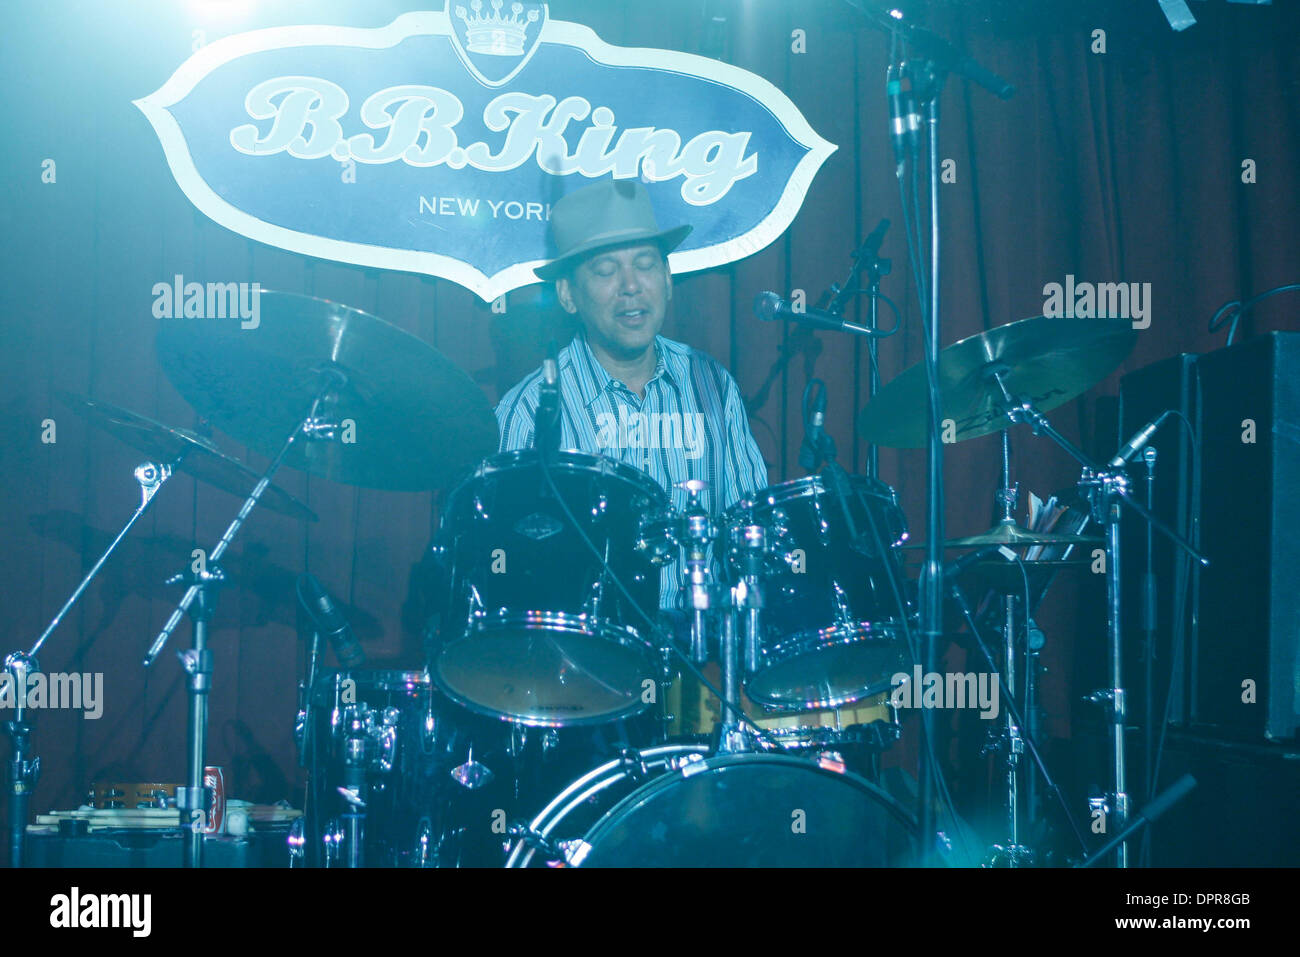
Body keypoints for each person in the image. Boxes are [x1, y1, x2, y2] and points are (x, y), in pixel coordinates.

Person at [495, 177, 769, 612]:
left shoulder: (711, 384)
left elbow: (753, 531)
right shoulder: (530, 408)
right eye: (605, 271)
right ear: (568, 295)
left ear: (667, 278)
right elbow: (506, 565)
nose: (631, 286)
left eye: (645, 265)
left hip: (707, 659)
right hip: (585, 662)